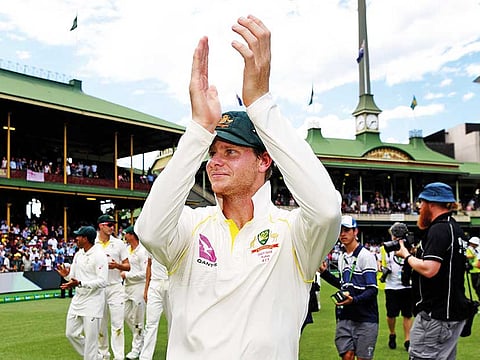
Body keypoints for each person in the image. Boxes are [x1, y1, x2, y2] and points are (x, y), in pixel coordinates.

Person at [135, 15, 341, 359]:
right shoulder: (191, 226)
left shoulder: (293, 234)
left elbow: (326, 209)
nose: (214, 161)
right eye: (213, 152)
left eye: (230, 152)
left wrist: (260, 103)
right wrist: (200, 129)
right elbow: (150, 230)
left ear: (264, 161)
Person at [395, 182, 469, 360]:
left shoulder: (439, 229)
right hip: (452, 313)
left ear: (431, 203)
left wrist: (406, 256)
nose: (419, 208)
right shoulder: (455, 228)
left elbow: (430, 269)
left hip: (436, 315)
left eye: (421, 203)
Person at [319, 215, 379, 360]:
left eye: (347, 230)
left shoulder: (366, 256)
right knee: (347, 356)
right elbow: (343, 284)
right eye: (340, 231)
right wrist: (324, 273)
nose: (343, 234)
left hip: (366, 317)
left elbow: (372, 289)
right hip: (345, 316)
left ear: (355, 232)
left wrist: (354, 300)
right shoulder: (341, 256)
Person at [56, 226, 108, 360]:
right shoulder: (78, 254)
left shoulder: (99, 255)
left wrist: (80, 283)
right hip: (78, 299)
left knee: (91, 340)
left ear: (86, 239)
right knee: (71, 333)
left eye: (78, 236)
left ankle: (93, 357)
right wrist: (67, 277)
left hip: (93, 301)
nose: (76, 239)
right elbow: (73, 276)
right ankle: (98, 357)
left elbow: (102, 281)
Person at [95, 214, 130, 360]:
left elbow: (128, 266)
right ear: (101, 226)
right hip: (99, 288)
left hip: (115, 287)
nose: (112, 227)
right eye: (109, 225)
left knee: (117, 324)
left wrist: (117, 266)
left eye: (112, 225)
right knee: (100, 324)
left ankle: (119, 356)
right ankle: (103, 354)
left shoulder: (119, 244)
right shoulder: (93, 243)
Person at [380, 223, 413, 351]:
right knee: (391, 314)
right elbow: (382, 263)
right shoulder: (385, 248)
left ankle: (407, 339)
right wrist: (383, 269)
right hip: (391, 286)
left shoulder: (410, 247)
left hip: (407, 285)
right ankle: (392, 333)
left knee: (407, 314)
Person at [121, 225, 148, 360]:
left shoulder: (142, 251)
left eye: (126, 234)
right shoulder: (127, 250)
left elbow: (145, 273)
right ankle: (142, 338)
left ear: (132, 235)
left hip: (138, 287)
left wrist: (127, 275)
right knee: (125, 316)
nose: (124, 236)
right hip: (127, 288)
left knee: (138, 319)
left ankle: (136, 349)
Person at [139, 255, 169, 360]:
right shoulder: (152, 241)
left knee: (173, 323)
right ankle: (145, 357)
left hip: (170, 282)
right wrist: (146, 288)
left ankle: (173, 354)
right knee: (151, 323)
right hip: (155, 284)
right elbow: (149, 264)